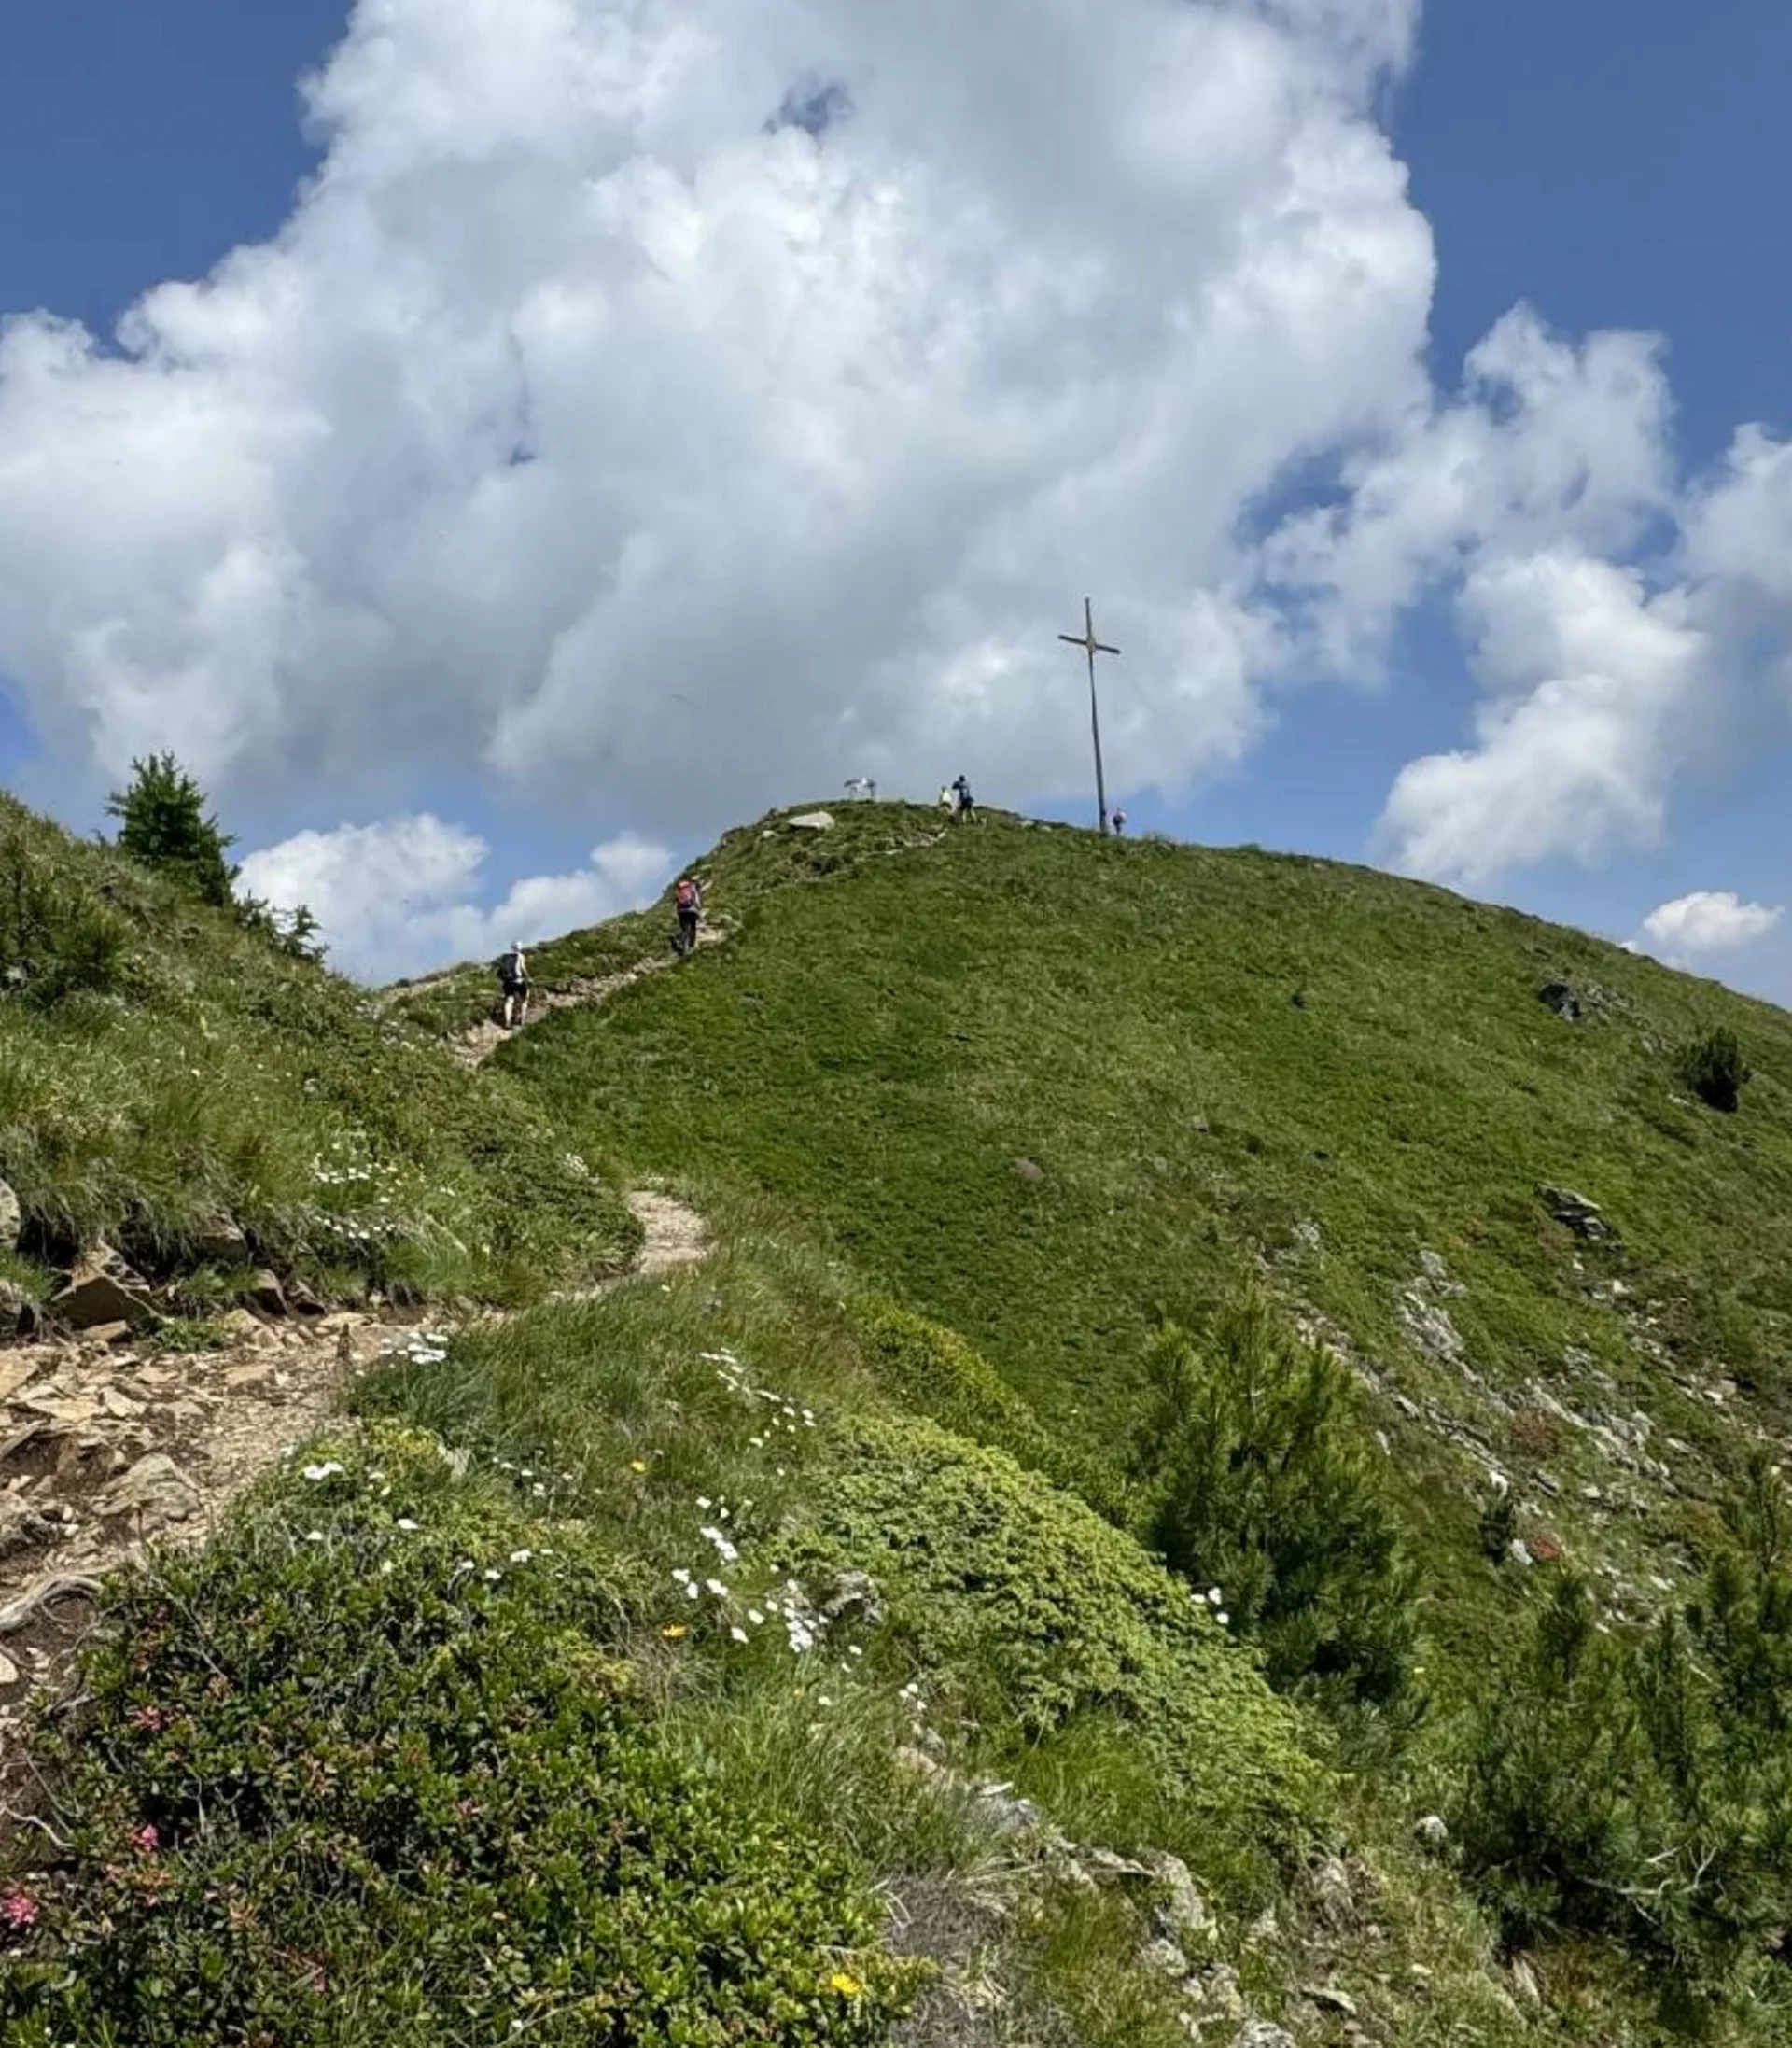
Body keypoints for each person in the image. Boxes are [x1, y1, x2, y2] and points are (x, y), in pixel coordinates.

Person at [497, 941, 530, 1029]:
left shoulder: (506, 956)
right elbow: (523, 968)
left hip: (508, 982)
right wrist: (529, 978)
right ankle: (522, 1020)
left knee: (509, 1001)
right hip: (518, 981)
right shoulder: (520, 956)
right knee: (525, 999)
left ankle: (507, 1021)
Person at [674, 874, 704, 957]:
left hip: (681, 911)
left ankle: (684, 949)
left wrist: (677, 911)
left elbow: (676, 900)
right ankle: (691, 946)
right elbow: (696, 900)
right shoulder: (691, 887)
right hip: (691, 910)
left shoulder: (679, 887)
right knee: (693, 927)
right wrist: (698, 909)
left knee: (684, 929)